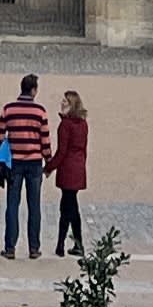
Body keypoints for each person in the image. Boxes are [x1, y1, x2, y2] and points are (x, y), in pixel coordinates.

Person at [0, 72, 52, 258]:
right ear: (33, 90)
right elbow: (45, 140)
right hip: (34, 163)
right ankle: (34, 248)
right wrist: (48, 160)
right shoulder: (40, 111)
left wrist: (5, 153)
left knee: (12, 205)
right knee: (34, 206)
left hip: (14, 163)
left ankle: (10, 247)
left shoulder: (9, 109)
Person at [52, 89, 91, 255]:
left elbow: (62, 151)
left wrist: (49, 167)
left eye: (65, 102)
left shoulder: (65, 125)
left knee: (66, 208)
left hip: (68, 169)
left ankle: (61, 244)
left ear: (71, 105)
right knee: (72, 207)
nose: (62, 103)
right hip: (78, 168)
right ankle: (78, 243)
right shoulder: (83, 124)